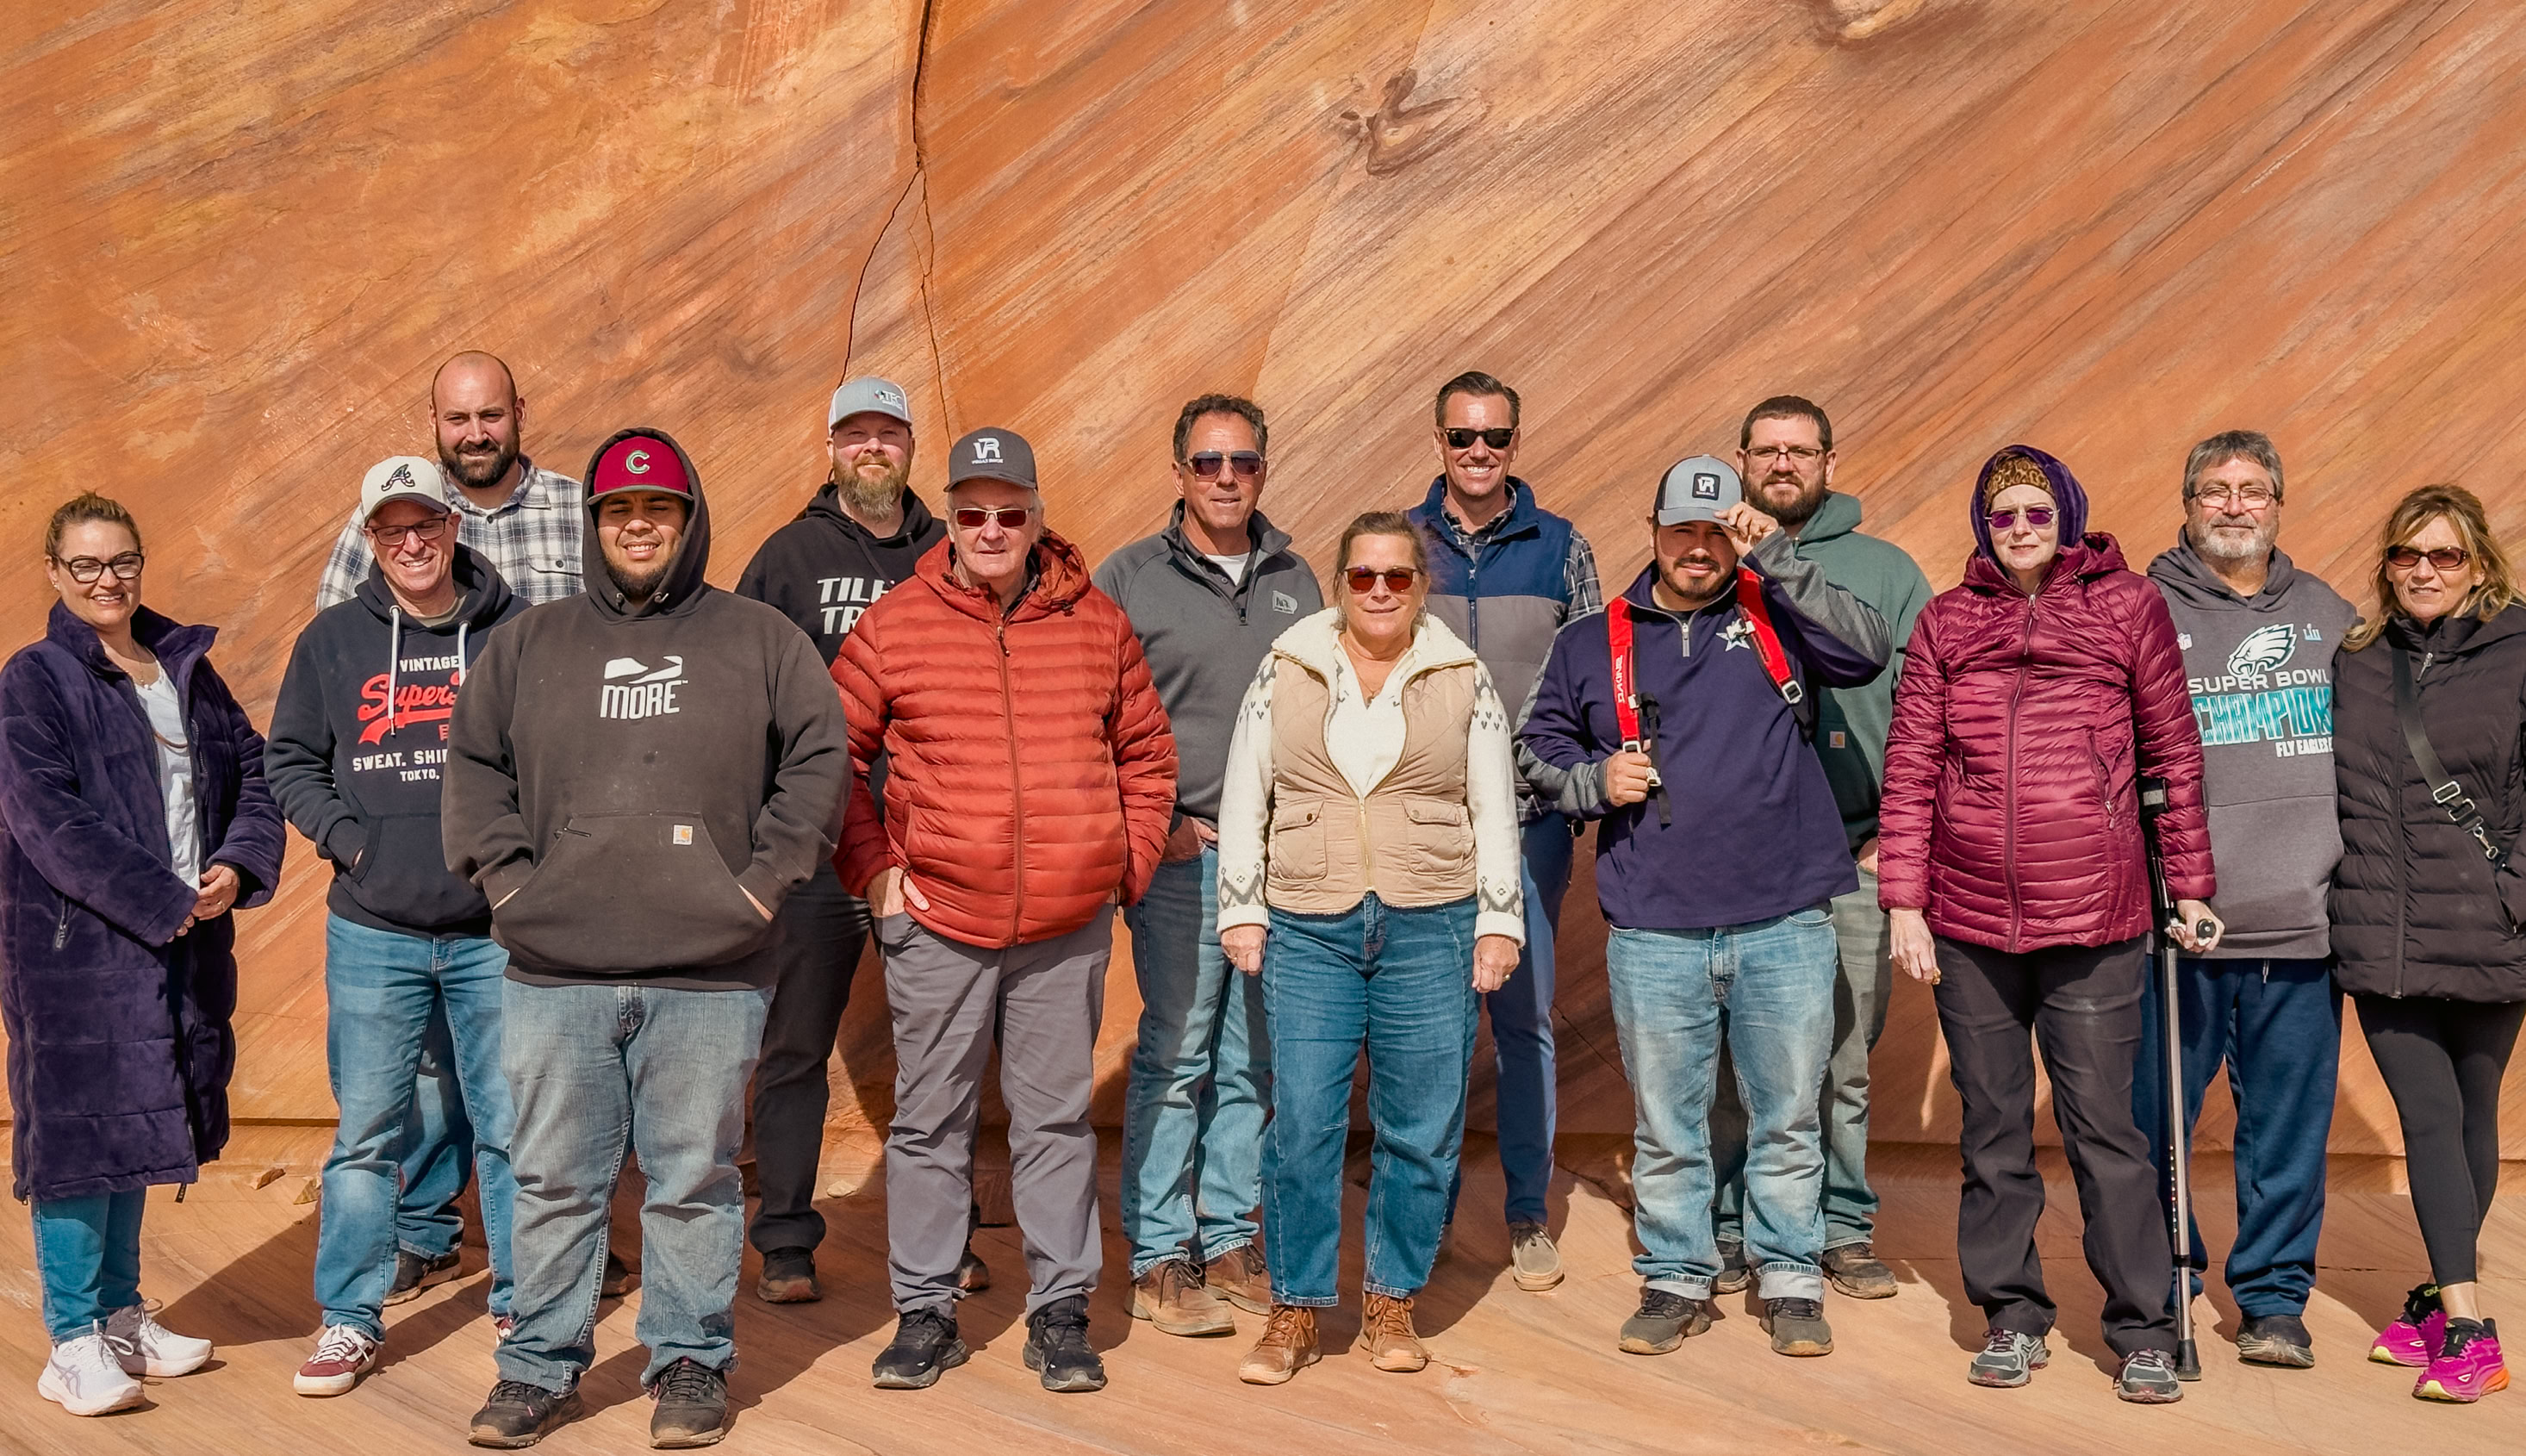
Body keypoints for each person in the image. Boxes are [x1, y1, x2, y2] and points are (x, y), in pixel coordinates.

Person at [445, 428, 849, 1448]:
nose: (638, 526)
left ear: (689, 520)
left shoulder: (762, 640)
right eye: (619, 510)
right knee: (553, 1182)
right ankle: (537, 1368)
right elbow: (474, 768)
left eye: (658, 509)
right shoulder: (528, 644)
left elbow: (819, 763)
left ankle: (689, 1361)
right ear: (594, 526)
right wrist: (511, 883)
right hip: (555, 970)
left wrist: (758, 888)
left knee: (693, 1180)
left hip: (711, 972)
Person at [1521, 457, 1889, 1362]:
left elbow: (1867, 649)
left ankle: (1790, 1276)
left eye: (1716, 531)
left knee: (1788, 1116)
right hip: (1654, 927)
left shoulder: (1776, 614)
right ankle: (1677, 1277)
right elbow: (1535, 746)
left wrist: (1781, 558)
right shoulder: (1590, 640)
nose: (1698, 548)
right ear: (1652, 532)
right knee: (1667, 1124)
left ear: (1738, 535)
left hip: (1785, 919)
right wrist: (1592, 781)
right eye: (1681, 530)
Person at [835, 426, 1176, 1396]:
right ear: (949, 517)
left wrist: (1124, 863)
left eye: (1009, 512)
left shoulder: (1096, 622)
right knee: (929, 1122)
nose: (991, 528)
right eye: (973, 512)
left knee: (1055, 1123)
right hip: (938, 919)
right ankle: (926, 1312)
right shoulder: (896, 624)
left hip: (1065, 927)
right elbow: (832, 760)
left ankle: (1060, 1313)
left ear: (1036, 517)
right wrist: (876, 873)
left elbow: (1147, 754)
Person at [1877, 445, 2218, 1404]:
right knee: (1991, 1128)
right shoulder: (1948, 619)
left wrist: (2190, 885)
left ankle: (2144, 1327)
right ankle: (2012, 1314)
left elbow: (2173, 753)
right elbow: (1911, 763)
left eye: (2036, 512)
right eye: (2003, 515)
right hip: (1967, 917)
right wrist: (1904, 900)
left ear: (2066, 515)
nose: (2020, 528)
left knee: (2105, 1128)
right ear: (1983, 528)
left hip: (2096, 914)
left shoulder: (2128, 606)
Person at [1216, 510, 1525, 1385]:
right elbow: (1246, 789)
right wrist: (1241, 907)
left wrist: (1498, 922)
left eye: (1397, 576)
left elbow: (1493, 802)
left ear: (1421, 586)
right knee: (1302, 1125)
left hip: (1432, 920)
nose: (1380, 591)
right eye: (1363, 576)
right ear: (1340, 583)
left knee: (1420, 1128)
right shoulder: (1287, 665)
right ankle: (1295, 1308)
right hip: (1309, 922)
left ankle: (1391, 1300)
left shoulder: (1461, 674)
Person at [318, 352, 591, 1310]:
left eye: (489, 415)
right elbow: (336, 677)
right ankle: (423, 1232)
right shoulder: (379, 532)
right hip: (392, 888)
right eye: (456, 418)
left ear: (519, 412)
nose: (475, 432)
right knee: (421, 1080)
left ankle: (549, 1263)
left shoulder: (576, 511)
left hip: (522, 869)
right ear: (434, 425)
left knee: (531, 1086)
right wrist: (359, 841)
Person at [2, 493, 285, 1416]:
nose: (106, 580)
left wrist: (237, 864)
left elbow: (253, 773)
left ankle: (120, 1316)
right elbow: (47, 820)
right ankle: (71, 1341)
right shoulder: (35, 678)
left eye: (121, 560)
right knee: (80, 1140)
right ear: (55, 572)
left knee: (141, 1128)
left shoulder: (184, 670)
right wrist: (163, 898)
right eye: (85, 564)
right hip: (77, 954)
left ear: (141, 563)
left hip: (184, 942)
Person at [267, 457, 531, 1396]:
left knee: (511, 1125)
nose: (411, 543)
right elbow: (290, 759)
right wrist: (353, 844)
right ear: (371, 539)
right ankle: (349, 1316)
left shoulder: (515, 631)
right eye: (392, 529)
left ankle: (525, 1303)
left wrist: (516, 863)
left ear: (454, 528)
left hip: (492, 931)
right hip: (373, 928)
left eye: (426, 525)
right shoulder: (333, 641)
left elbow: (555, 756)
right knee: (368, 1133)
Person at [731, 376, 963, 1305]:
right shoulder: (788, 557)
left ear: (910, 445)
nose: (873, 448)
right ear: (831, 447)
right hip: (819, 844)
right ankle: (786, 1239)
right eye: (855, 434)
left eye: (888, 434)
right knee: (795, 1044)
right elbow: (743, 693)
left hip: (930, 841)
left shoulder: (950, 551)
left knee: (941, 1049)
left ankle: (941, 1240)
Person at [1096, 395, 1322, 1334]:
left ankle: (1228, 1236)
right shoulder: (1129, 576)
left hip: (1277, 859)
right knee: (1178, 1051)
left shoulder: (1296, 576)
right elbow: (1095, 718)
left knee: (1252, 1059)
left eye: (1243, 462)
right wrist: (1158, 825)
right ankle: (1157, 1254)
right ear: (1179, 472)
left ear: (1263, 468)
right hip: (1182, 856)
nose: (1226, 478)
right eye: (1207, 462)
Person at [2137, 431, 2355, 1370]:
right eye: (2215, 490)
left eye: (2252, 489)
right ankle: (2164, 1285)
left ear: (2277, 503)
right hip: (2178, 927)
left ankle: (2272, 1299)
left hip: (2302, 926)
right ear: (2188, 505)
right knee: (2155, 1126)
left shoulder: (2328, 614)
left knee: (2287, 1133)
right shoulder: (2141, 609)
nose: (2234, 505)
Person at [1708, 395, 1931, 1302]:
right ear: (1741, 460)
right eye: (1766, 450)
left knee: (1842, 1056)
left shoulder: (1886, 572)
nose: (1783, 464)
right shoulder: (1705, 557)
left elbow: (1929, 713)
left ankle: (1840, 1223)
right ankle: (1729, 1221)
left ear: (1830, 464)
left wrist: (1900, 836)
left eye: (1801, 451)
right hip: (1744, 860)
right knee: (1736, 1051)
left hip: (1854, 852)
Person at [1404, 370, 1599, 1289]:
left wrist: (1573, 787)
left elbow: (1593, 678)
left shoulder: (1561, 547)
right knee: (1432, 1029)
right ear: (1439, 441)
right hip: (1425, 826)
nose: (1477, 452)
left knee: (1523, 1022)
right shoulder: (1402, 544)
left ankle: (1527, 1214)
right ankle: (1430, 1210)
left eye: (1494, 437)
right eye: (1462, 437)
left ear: (1516, 443)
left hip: (1530, 822)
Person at [2330, 483, 2524, 1404]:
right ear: (2387, 565)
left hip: (2492, 929)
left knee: (2474, 1117)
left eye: (2444, 554)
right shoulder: (2358, 661)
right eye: (2407, 553)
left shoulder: (2520, 649)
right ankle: (2470, 1326)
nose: (2424, 570)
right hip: (2385, 932)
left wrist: (2516, 891)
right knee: (2430, 1117)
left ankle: (2439, 1301)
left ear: (2477, 563)